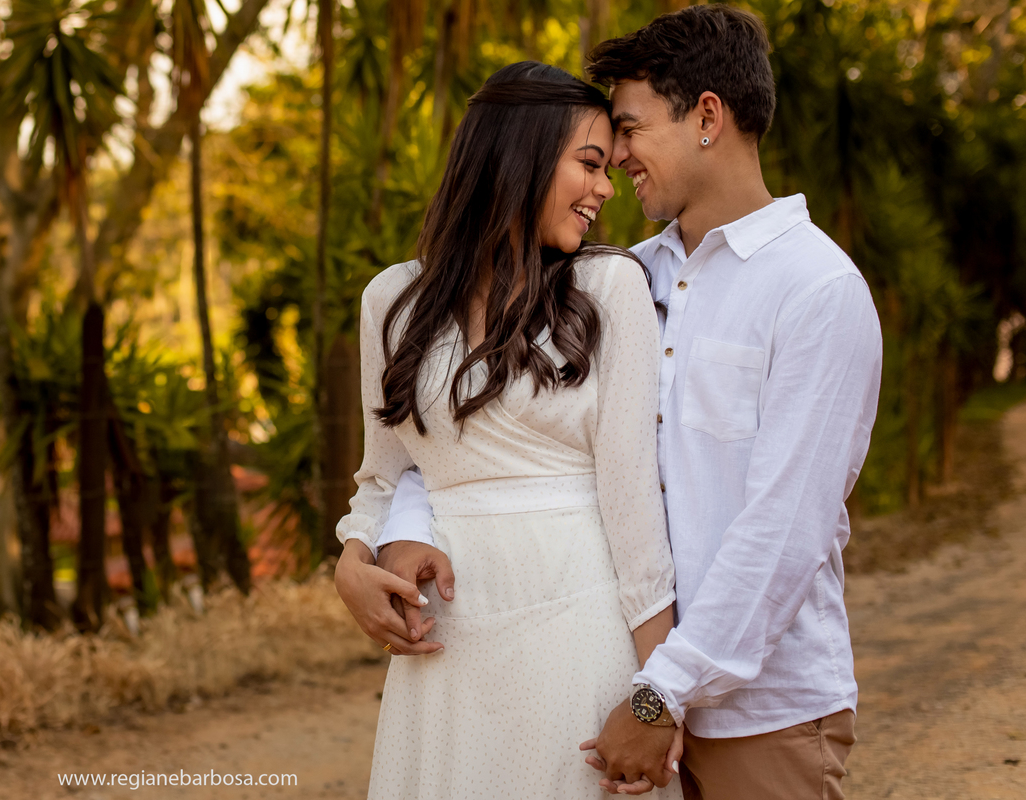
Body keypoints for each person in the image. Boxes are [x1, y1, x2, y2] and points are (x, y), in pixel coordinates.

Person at [350, 6, 884, 800]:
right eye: (602, 149)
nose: (619, 162)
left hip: (750, 708)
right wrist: (392, 534)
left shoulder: (816, 291)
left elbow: (782, 533)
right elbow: (469, 435)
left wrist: (658, 692)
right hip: (617, 679)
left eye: (628, 132)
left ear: (708, 116)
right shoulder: (613, 278)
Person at [333, 61, 684, 799]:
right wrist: (350, 561)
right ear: (516, 157)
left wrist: (659, 699)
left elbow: (633, 508)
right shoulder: (392, 301)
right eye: (587, 163)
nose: (604, 187)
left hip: (578, 628)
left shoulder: (607, 288)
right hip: (445, 648)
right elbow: (383, 475)